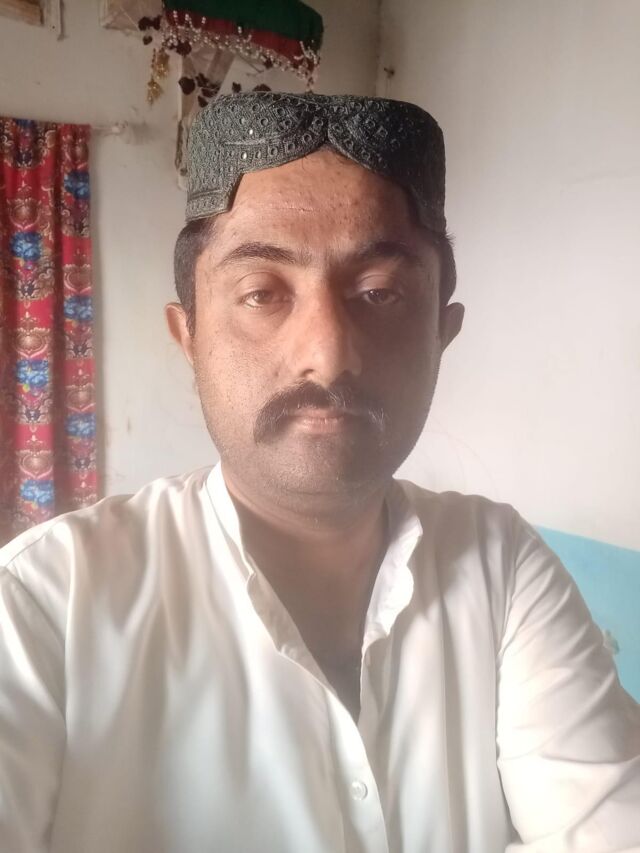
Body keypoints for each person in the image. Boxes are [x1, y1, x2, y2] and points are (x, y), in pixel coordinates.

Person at [0, 93, 638, 853]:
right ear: (189, 335)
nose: (328, 356)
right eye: (261, 293)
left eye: (379, 293)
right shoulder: (41, 605)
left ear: (442, 332)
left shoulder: (501, 566)